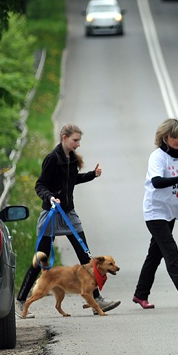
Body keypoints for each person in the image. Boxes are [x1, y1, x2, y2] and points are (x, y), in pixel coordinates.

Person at [17, 124, 120, 314]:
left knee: (86, 256)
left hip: (69, 213)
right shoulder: (52, 159)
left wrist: (92, 175)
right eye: (75, 140)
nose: (78, 144)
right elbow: (40, 185)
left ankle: (96, 299)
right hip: (51, 214)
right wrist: (50, 197)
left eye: (79, 140)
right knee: (41, 258)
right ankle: (21, 300)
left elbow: (72, 180)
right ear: (64, 138)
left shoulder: (71, 158)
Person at [132, 118, 178, 309]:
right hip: (155, 211)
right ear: (165, 137)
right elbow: (156, 182)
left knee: (154, 256)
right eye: (174, 137)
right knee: (171, 251)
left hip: (171, 211)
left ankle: (140, 295)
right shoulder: (157, 157)